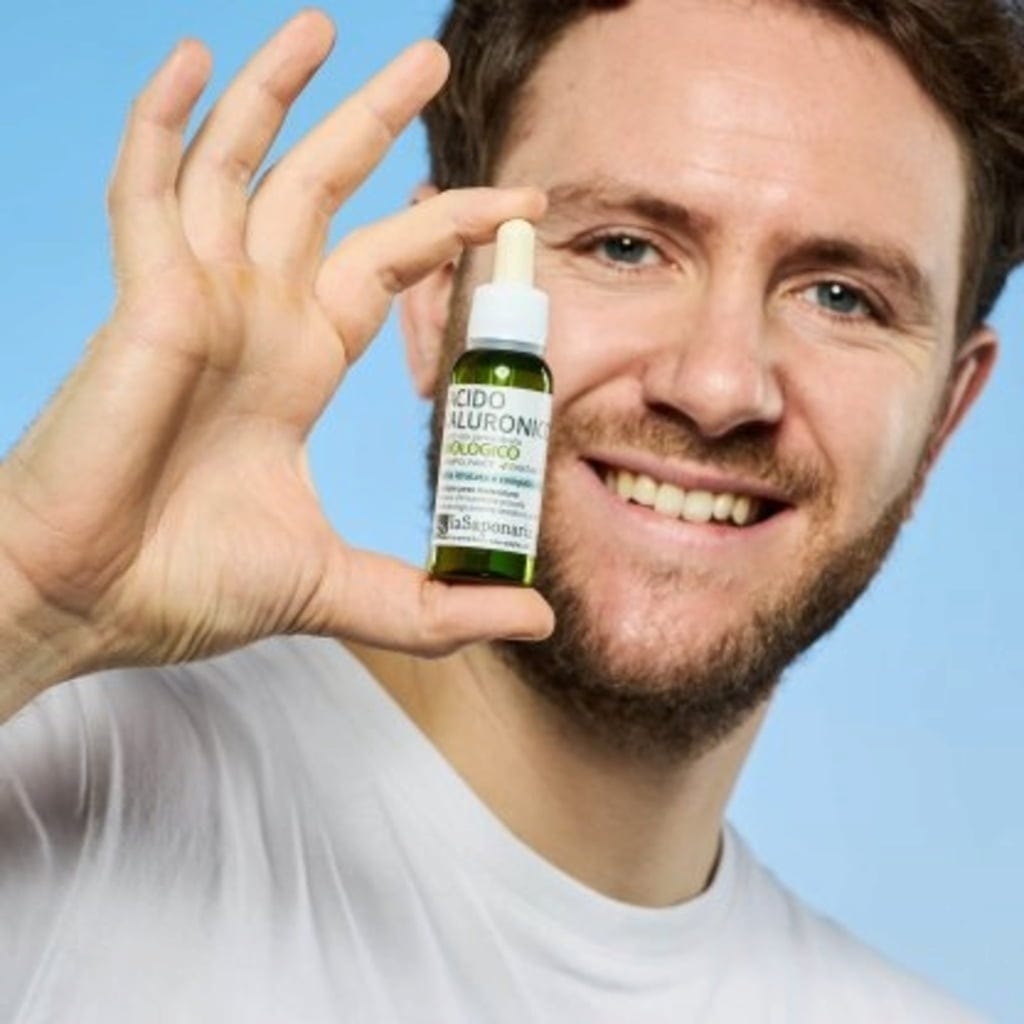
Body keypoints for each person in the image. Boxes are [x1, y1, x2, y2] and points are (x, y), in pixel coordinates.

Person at [1, 0, 1021, 1020]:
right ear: (438, 298)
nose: (716, 387)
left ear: (942, 417)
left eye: (842, 297)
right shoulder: (63, 770)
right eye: (624, 247)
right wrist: (24, 594)